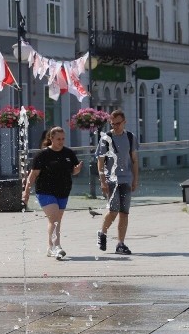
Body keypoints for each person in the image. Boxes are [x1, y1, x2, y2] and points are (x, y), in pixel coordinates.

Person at [22, 126, 83, 260]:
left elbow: (72, 171)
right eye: (58, 139)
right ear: (51, 138)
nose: (61, 142)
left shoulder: (68, 153)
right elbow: (33, 175)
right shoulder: (43, 155)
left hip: (63, 191)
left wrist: (77, 170)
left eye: (63, 139)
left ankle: (50, 247)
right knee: (54, 219)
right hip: (45, 191)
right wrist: (26, 192)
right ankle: (57, 246)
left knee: (56, 220)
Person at [96, 109, 139, 255]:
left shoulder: (130, 137)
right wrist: (102, 181)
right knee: (114, 211)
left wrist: (135, 179)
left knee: (124, 212)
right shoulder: (105, 138)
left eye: (118, 123)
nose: (115, 126)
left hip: (126, 179)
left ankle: (120, 244)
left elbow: (134, 160)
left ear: (124, 122)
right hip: (111, 180)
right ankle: (102, 233)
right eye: (112, 124)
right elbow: (100, 162)